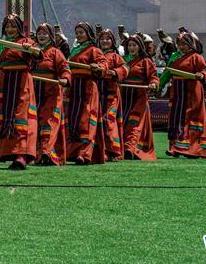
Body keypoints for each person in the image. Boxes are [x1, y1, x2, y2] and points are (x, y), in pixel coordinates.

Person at [0, 14, 40, 170]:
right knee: (5, 116)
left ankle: (21, 155)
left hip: (22, 83)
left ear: (19, 28)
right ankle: (8, 153)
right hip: (5, 82)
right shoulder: (3, 44)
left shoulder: (27, 42)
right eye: (7, 27)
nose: (10, 29)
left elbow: (38, 53)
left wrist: (30, 50)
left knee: (20, 116)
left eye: (13, 26)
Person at [164, 31, 206, 158]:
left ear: (191, 44)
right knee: (176, 118)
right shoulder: (174, 57)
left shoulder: (196, 57)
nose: (181, 47)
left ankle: (193, 149)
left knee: (190, 119)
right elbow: (167, 73)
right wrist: (158, 85)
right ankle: (174, 147)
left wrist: (202, 75)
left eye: (184, 44)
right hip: (177, 92)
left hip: (192, 93)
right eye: (179, 44)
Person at [65, 22, 109, 165]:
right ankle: (73, 152)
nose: (79, 35)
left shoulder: (94, 50)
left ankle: (85, 153)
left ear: (88, 34)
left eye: (81, 32)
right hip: (75, 88)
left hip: (88, 87)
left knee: (86, 119)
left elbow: (104, 64)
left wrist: (98, 67)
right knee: (75, 120)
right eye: (77, 33)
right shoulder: (74, 50)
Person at [32, 23, 70, 166]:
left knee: (48, 122)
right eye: (39, 33)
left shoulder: (55, 52)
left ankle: (46, 152)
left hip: (51, 93)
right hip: (34, 93)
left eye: (45, 33)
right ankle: (37, 154)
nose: (42, 36)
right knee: (35, 123)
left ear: (50, 36)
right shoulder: (32, 51)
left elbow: (65, 67)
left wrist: (65, 78)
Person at [120, 35, 159, 160]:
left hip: (139, 97)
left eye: (134, 45)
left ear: (140, 47)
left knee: (134, 123)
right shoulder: (123, 60)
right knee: (124, 122)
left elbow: (154, 76)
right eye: (129, 45)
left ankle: (129, 149)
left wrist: (153, 83)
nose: (132, 48)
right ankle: (122, 147)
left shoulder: (145, 61)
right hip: (124, 96)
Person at [98, 29, 128, 162]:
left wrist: (114, 72)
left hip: (111, 94)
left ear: (113, 41)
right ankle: (100, 150)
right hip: (96, 93)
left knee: (108, 119)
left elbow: (125, 69)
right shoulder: (95, 54)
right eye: (102, 38)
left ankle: (113, 150)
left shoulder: (115, 56)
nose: (105, 41)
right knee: (97, 120)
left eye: (108, 38)